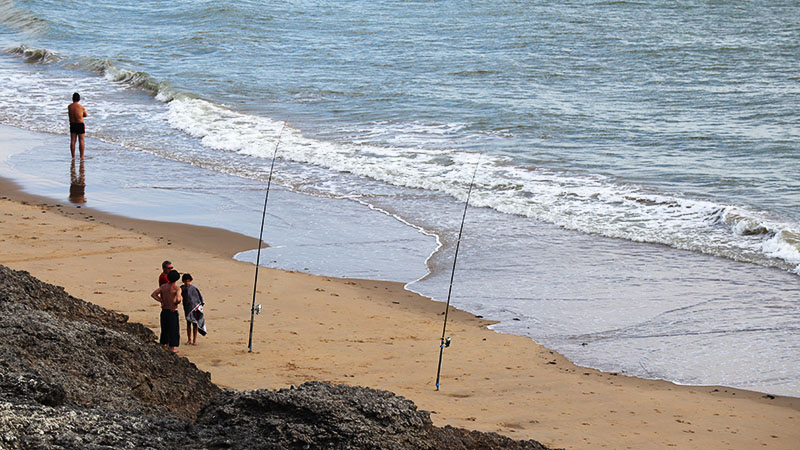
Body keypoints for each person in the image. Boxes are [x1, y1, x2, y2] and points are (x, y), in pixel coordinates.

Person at [151, 269, 182, 352]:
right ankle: (172, 347)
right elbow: (178, 299)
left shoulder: (163, 286)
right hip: (172, 310)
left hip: (164, 309)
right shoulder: (177, 288)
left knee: (165, 328)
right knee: (173, 329)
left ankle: (165, 344)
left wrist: (161, 300)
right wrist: (175, 302)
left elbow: (154, 294)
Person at [181, 273, 207, 345]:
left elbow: (200, 297)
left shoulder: (194, 288)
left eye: (188, 281)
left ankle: (194, 340)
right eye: (186, 281)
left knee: (195, 324)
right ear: (183, 281)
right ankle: (189, 339)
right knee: (188, 323)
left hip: (195, 307)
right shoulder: (182, 288)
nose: (187, 282)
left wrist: (200, 305)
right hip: (187, 308)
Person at [67, 92, 87, 159]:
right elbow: (85, 115)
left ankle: (73, 156)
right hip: (80, 124)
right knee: (81, 140)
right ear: (79, 99)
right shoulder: (81, 107)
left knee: (73, 140)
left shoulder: (69, 106)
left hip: (72, 124)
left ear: (72, 98)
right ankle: (82, 156)